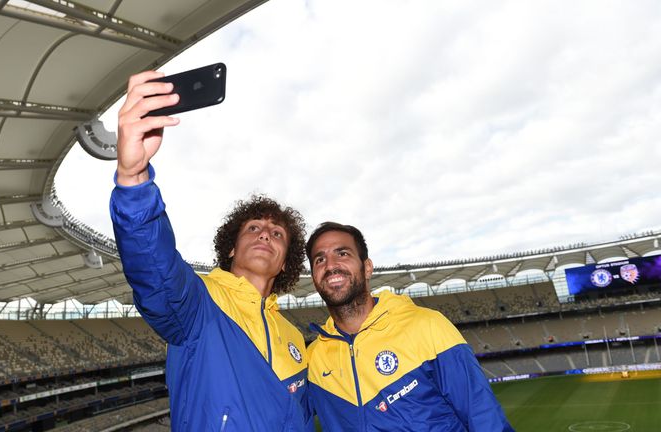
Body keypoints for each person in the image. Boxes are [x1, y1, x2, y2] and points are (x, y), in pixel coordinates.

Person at [110, 70, 312, 431]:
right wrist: (134, 177)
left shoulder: (294, 337)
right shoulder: (200, 303)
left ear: (284, 264)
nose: (265, 235)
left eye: (277, 233)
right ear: (231, 249)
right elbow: (155, 268)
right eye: (254, 228)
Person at [305, 222, 513, 431]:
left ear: (367, 268)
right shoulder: (313, 359)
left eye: (342, 254)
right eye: (320, 259)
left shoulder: (426, 325)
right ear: (314, 277)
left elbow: (484, 417)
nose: (330, 265)